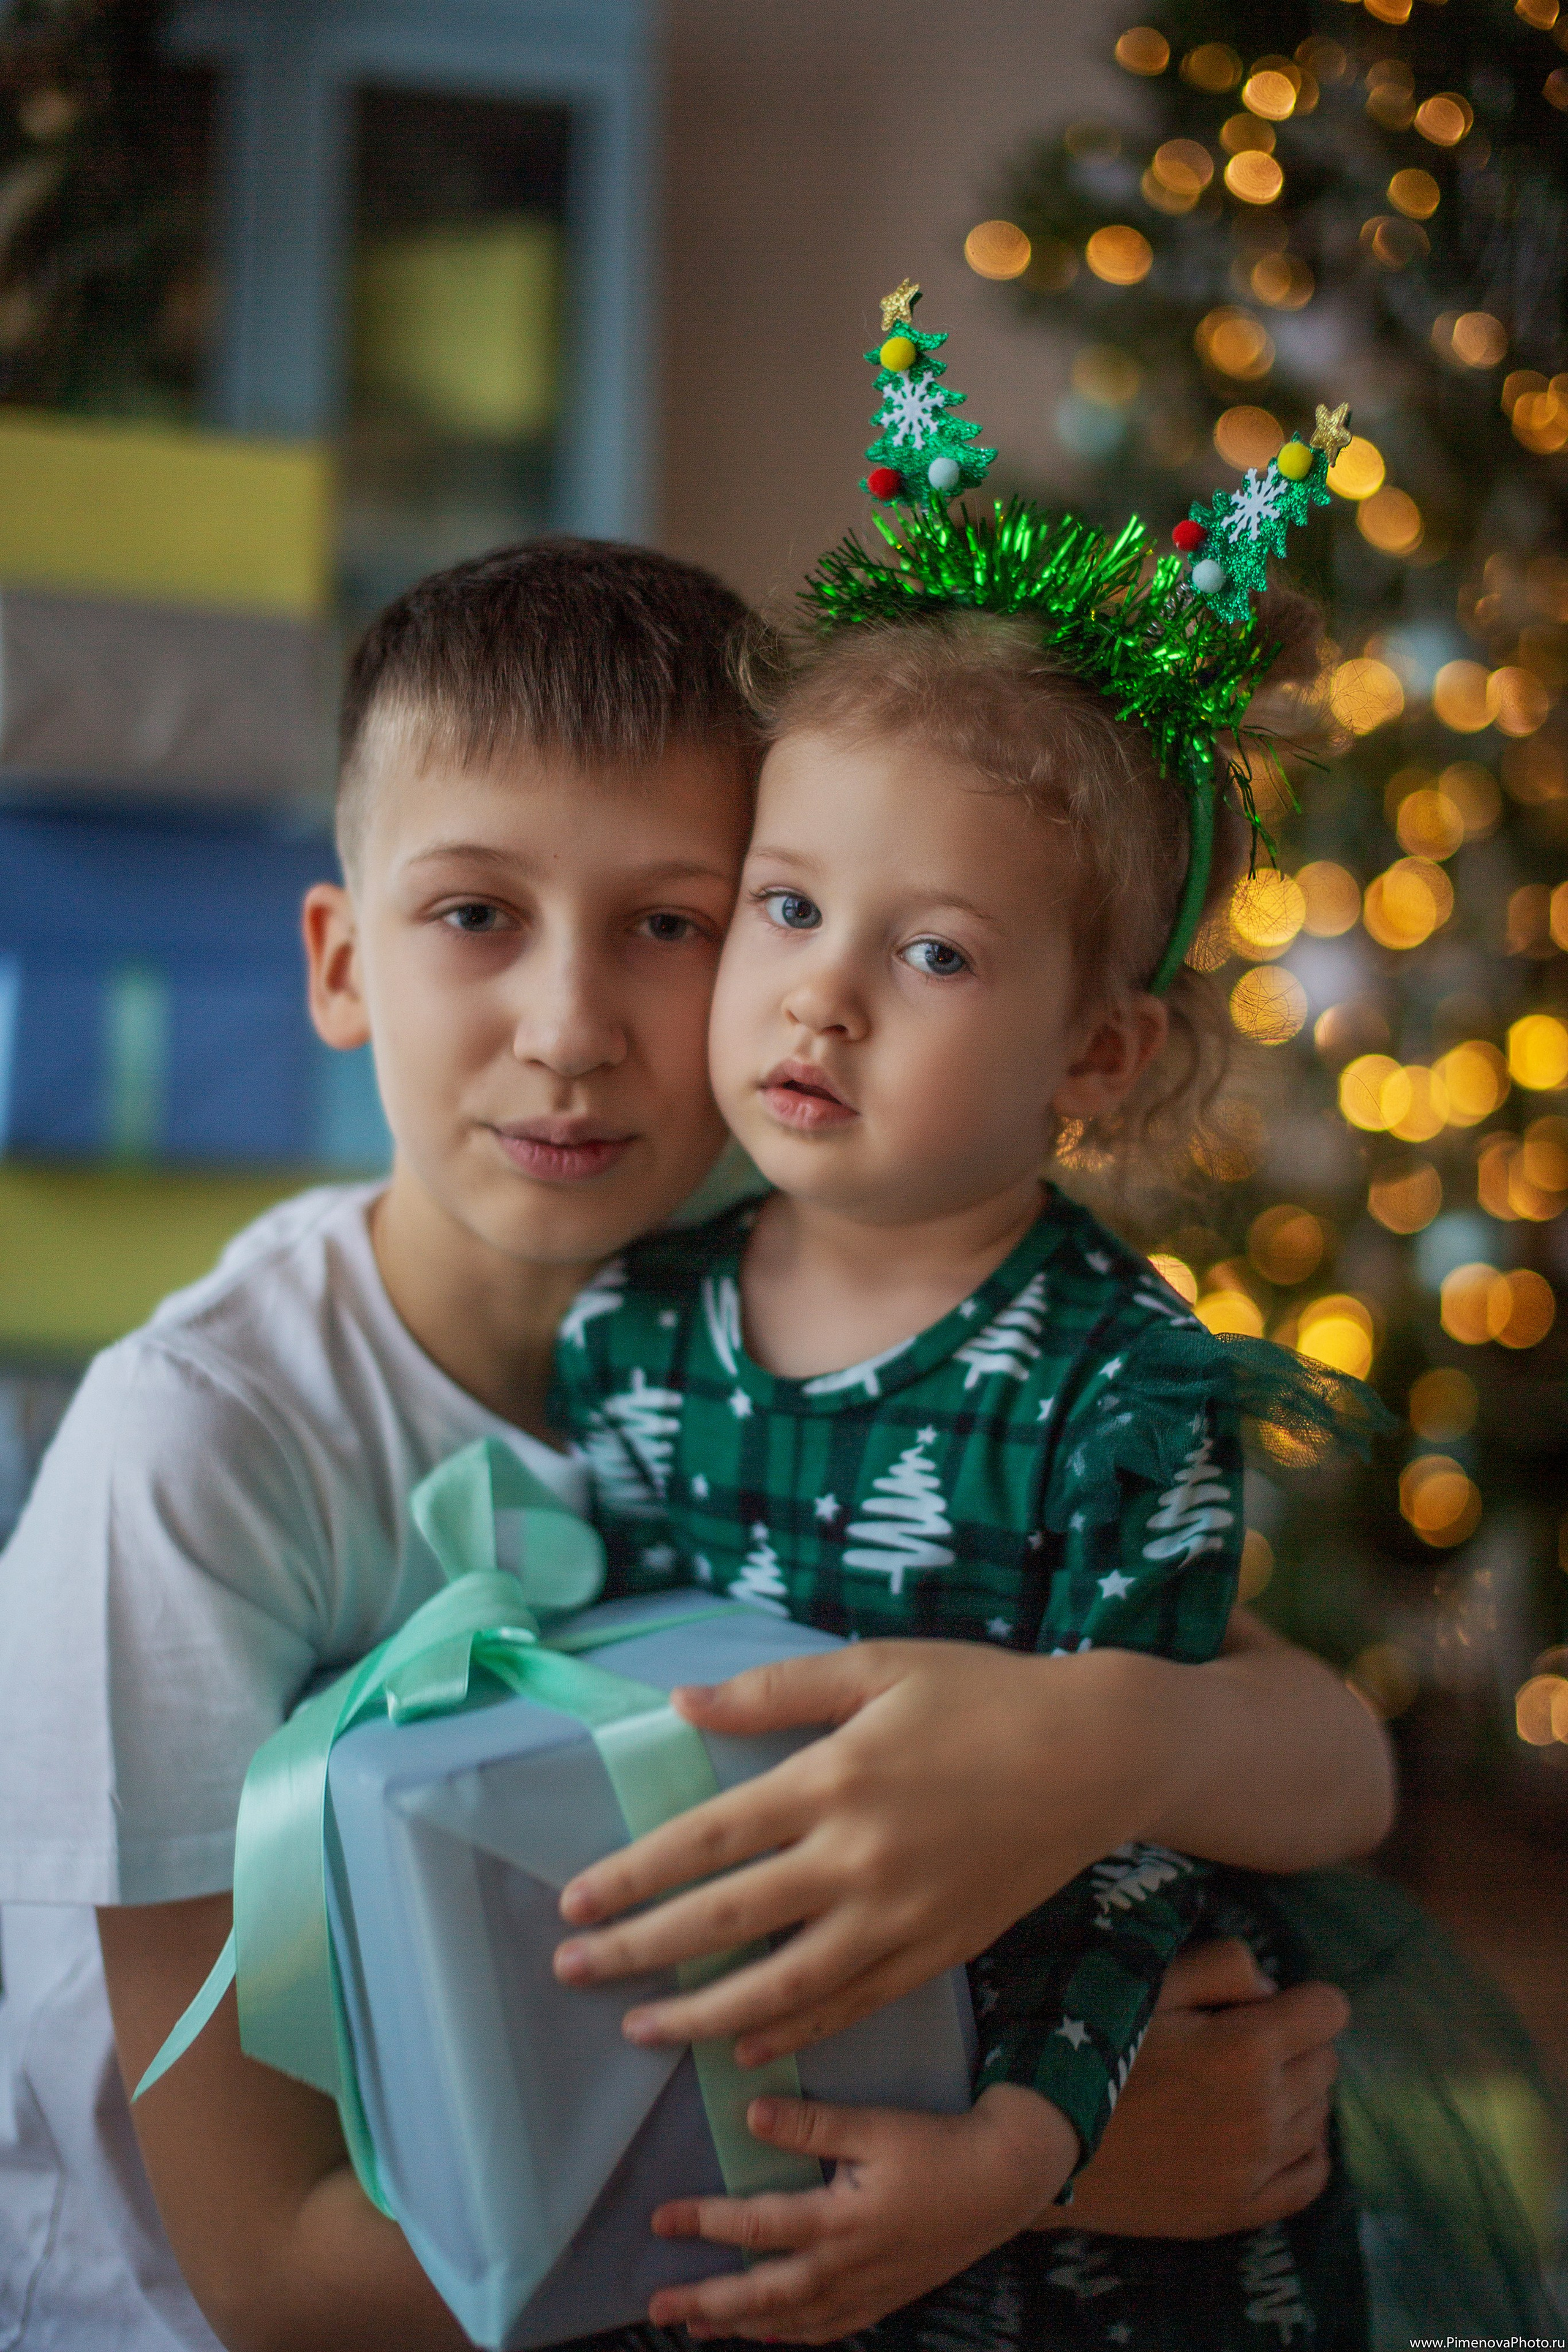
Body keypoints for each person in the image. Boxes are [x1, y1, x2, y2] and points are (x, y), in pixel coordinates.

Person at [0, 541, 1390, 2352]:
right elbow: (265, 2273)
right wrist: (1055, 2170)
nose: (571, 1033)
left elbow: (1305, 1734)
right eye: (474, 915)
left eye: (674, 922)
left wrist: (1118, 1737)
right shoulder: (196, 1452)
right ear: (341, 964)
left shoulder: (790, 1301)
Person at [546, 318, 1387, 2347]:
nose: (820, 1000)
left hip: (1087, 2201)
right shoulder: (631, 1326)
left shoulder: (1125, 1388)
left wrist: (1025, 2152)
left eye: (934, 952)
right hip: (759, 2143)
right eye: (786, 906)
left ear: (1094, 1048)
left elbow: (1139, 1861)